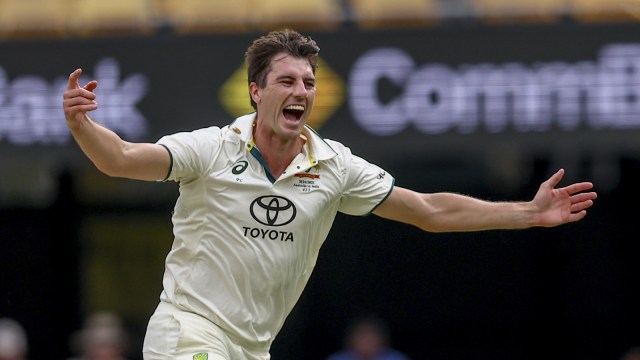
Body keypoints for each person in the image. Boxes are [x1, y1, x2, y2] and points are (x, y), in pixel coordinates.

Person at [62, 28, 597, 360]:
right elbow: (120, 159)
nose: (301, 92)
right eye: (287, 81)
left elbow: (430, 211)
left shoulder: (335, 165)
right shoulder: (210, 148)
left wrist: (527, 212)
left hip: (253, 348)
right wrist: (83, 126)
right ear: (256, 91)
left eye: (309, 83)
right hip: (189, 330)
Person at [326, 315, 410, 360]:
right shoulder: (338, 358)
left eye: (370, 337)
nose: (366, 342)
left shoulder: (396, 358)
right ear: (350, 340)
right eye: (361, 336)